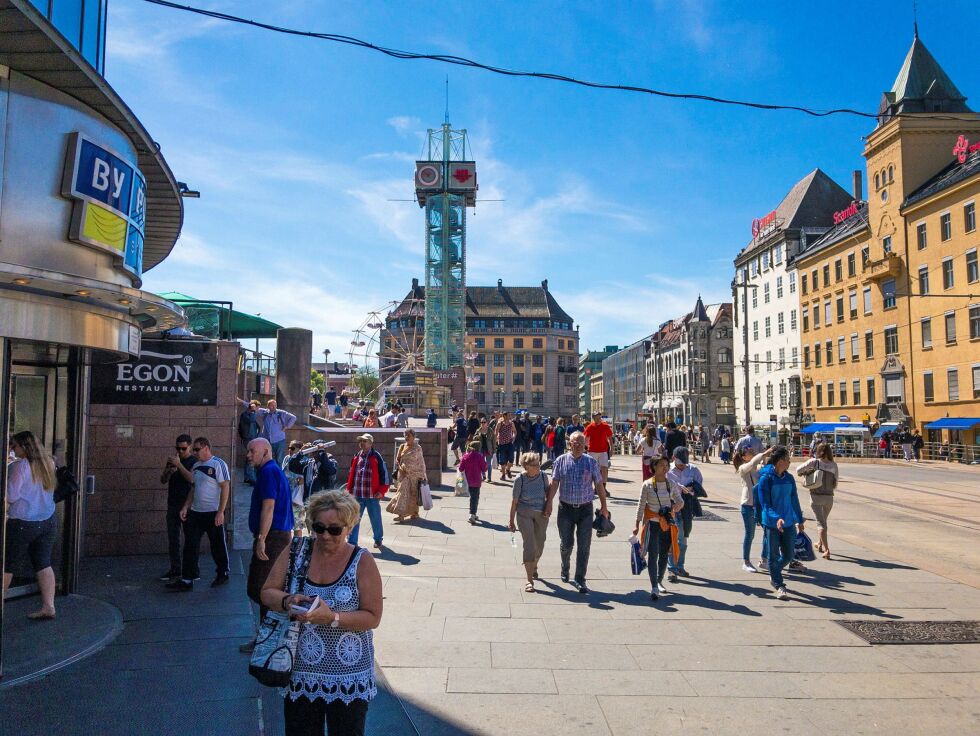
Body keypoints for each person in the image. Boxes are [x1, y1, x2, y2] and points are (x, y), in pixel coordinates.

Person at [261, 490, 382, 736]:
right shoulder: (297, 550)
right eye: (319, 527)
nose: (325, 535)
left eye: (334, 529)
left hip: (348, 675)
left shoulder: (362, 560)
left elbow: (372, 617)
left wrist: (333, 618)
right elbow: (267, 592)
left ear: (349, 527)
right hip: (300, 670)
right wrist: (288, 600)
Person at [241, 438, 294, 653]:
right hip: (275, 536)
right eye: (248, 451)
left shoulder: (269, 472)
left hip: (273, 537)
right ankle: (268, 636)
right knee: (263, 590)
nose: (248, 455)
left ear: (266, 451)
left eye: (253, 451)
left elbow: (269, 506)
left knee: (263, 589)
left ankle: (271, 637)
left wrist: (261, 538)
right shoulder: (270, 471)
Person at [545, 431, 610, 594]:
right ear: (570, 444)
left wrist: (604, 506)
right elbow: (554, 483)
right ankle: (565, 566)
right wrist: (549, 503)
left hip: (585, 509)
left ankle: (580, 579)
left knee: (584, 546)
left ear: (585, 444)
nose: (579, 445)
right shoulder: (560, 460)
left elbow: (599, 484)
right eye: (575, 442)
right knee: (566, 544)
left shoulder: (590, 462)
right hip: (565, 509)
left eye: (581, 442)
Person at [3, 431, 58, 620]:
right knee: (43, 563)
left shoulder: (21, 466)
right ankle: (49, 606)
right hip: (47, 520)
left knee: (7, 565)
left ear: (24, 447)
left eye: (15, 446)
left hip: (23, 523)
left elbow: (11, 496)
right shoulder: (49, 463)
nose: (12, 449)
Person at [168, 437, 231, 591]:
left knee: (217, 545)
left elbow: (225, 487)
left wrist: (221, 512)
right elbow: (193, 488)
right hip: (196, 512)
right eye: (194, 450)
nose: (194, 452)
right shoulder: (196, 466)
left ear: (206, 448)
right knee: (190, 545)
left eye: (196, 449)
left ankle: (222, 572)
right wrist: (185, 507)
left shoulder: (218, 464)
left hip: (212, 512)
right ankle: (187, 579)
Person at [633, 455, 684, 601]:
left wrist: (676, 506)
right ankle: (654, 586)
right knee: (653, 555)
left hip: (667, 524)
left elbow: (680, 501)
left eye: (666, 465)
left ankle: (659, 580)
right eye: (662, 465)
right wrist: (636, 524)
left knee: (663, 555)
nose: (665, 467)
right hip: (652, 524)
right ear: (654, 467)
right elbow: (641, 505)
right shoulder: (647, 484)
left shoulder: (671, 484)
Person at [756, 446, 805, 599]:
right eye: (788, 459)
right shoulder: (766, 479)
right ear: (780, 461)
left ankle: (774, 571)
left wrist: (799, 519)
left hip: (789, 522)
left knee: (789, 555)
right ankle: (779, 584)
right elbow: (765, 505)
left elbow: (794, 500)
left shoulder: (789, 478)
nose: (790, 462)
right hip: (772, 523)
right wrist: (776, 518)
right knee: (772, 555)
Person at [508, 452, 549, 592]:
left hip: (541, 514)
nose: (538, 467)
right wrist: (511, 520)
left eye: (538, 464)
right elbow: (514, 502)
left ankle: (534, 564)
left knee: (540, 544)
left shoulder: (543, 476)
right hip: (524, 513)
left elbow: (548, 495)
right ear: (526, 466)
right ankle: (529, 580)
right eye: (534, 465)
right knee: (529, 544)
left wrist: (549, 506)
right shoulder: (520, 479)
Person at [159, 434, 196, 581]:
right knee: (173, 538)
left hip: (187, 504)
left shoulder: (194, 461)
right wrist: (169, 471)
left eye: (183, 448)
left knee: (190, 538)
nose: (180, 451)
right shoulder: (172, 461)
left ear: (190, 447)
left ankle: (190, 570)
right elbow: (163, 480)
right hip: (173, 503)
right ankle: (175, 568)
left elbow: (193, 479)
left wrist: (180, 466)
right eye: (178, 448)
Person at [346, 434, 389, 550]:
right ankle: (352, 542)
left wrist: (382, 491)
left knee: (375, 519)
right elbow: (352, 474)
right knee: (354, 519)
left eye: (364, 441)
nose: (362, 443)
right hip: (357, 494)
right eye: (360, 441)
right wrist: (348, 490)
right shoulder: (356, 456)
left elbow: (384, 475)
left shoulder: (376, 456)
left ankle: (378, 539)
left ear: (370, 443)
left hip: (372, 495)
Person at [735, 445, 774, 573]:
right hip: (748, 504)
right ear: (743, 457)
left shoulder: (757, 466)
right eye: (748, 451)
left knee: (768, 532)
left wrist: (766, 457)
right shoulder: (742, 468)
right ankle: (746, 561)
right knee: (750, 534)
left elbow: (763, 468)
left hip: (759, 504)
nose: (751, 451)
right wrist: (764, 453)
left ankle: (764, 559)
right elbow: (752, 463)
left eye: (752, 450)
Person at [796, 442, 838, 560]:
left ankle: (827, 550)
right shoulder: (834, 465)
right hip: (829, 497)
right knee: (824, 521)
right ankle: (819, 544)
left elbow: (798, 470)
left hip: (816, 496)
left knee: (821, 523)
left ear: (818, 451)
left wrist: (808, 473)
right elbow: (836, 483)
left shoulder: (814, 462)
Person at [665, 446, 701, 581]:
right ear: (674, 458)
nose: (683, 465)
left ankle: (680, 566)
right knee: (674, 537)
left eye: (685, 462)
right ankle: (672, 569)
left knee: (684, 537)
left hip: (687, 508)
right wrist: (679, 488)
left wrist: (692, 489)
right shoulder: (667, 470)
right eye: (680, 462)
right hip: (673, 507)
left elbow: (699, 486)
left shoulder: (693, 469)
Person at [386, 428, 427, 522]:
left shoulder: (418, 448)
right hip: (403, 475)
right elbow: (398, 459)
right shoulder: (401, 446)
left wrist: (423, 475)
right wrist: (401, 468)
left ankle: (414, 513)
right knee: (402, 494)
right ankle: (401, 515)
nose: (406, 437)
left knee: (413, 494)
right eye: (405, 435)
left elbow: (421, 462)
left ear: (413, 436)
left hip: (415, 475)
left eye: (409, 435)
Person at [242, 398, 298, 466]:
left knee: (279, 460)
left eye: (275, 405)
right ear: (268, 406)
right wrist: (241, 401)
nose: (274, 407)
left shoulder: (280, 413)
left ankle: (278, 474)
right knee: (268, 459)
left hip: (279, 440)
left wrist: (286, 427)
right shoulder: (265, 412)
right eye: (272, 405)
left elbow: (293, 417)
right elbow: (253, 407)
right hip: (268, 440)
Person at [459, 441, 489, 524]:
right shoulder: (479, 456)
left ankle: (473, 513)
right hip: (476, 481)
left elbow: (461, 468)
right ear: (478, 448)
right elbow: (485, 468)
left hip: (467, 481)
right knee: (474, 498)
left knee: (473, 497)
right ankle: (472, 514)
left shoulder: (465, 456)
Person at [583, 412, 614, 485]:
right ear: (593, 418)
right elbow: (586, 439)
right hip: (592, 451)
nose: (599, 419)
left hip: (603, 451)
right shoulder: (590, 427)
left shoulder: (605, 426)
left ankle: (603, 487)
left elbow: (610, 438)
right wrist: (584, 448)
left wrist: (611, 449)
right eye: (597, 418)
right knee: (591, 469)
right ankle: (593, 487)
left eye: (600, 418)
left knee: (604, 468)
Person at [238, 401, 260, 484]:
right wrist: (253, 411)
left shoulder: (251, 414)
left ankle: (247, 477)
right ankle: (251, 478)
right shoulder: (246, 415)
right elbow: (252, 420)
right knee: (251, 457)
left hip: (252, 438)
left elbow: (257, 425)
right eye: (257, 408)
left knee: (248, 458)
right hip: (248, 439)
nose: (257, 410)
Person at [473, 417, 497, 483]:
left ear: (487, 423)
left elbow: (494, 440)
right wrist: (476, 436)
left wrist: (494, 450)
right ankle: (483, 476)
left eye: (484, 422)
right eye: (481, 422)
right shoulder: (478, 430)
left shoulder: (490, 430)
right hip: (480, 449)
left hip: (489, 449)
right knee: (481, 463)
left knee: (489, 464)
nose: (483, 423)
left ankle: (489, 478)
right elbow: (474, 439)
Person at [495, 411, 517, 481]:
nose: (510, 416)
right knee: (502, 460)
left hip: (509, 443)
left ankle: (508, 469)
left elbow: (515, 432)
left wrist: (513, 437)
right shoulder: (500, 423)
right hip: (501, 444)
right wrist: (495, 442)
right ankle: (503, 475)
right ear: (504, 416)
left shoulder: (511, 423)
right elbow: (495, 433)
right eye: (509, 415)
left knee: (511, 459)